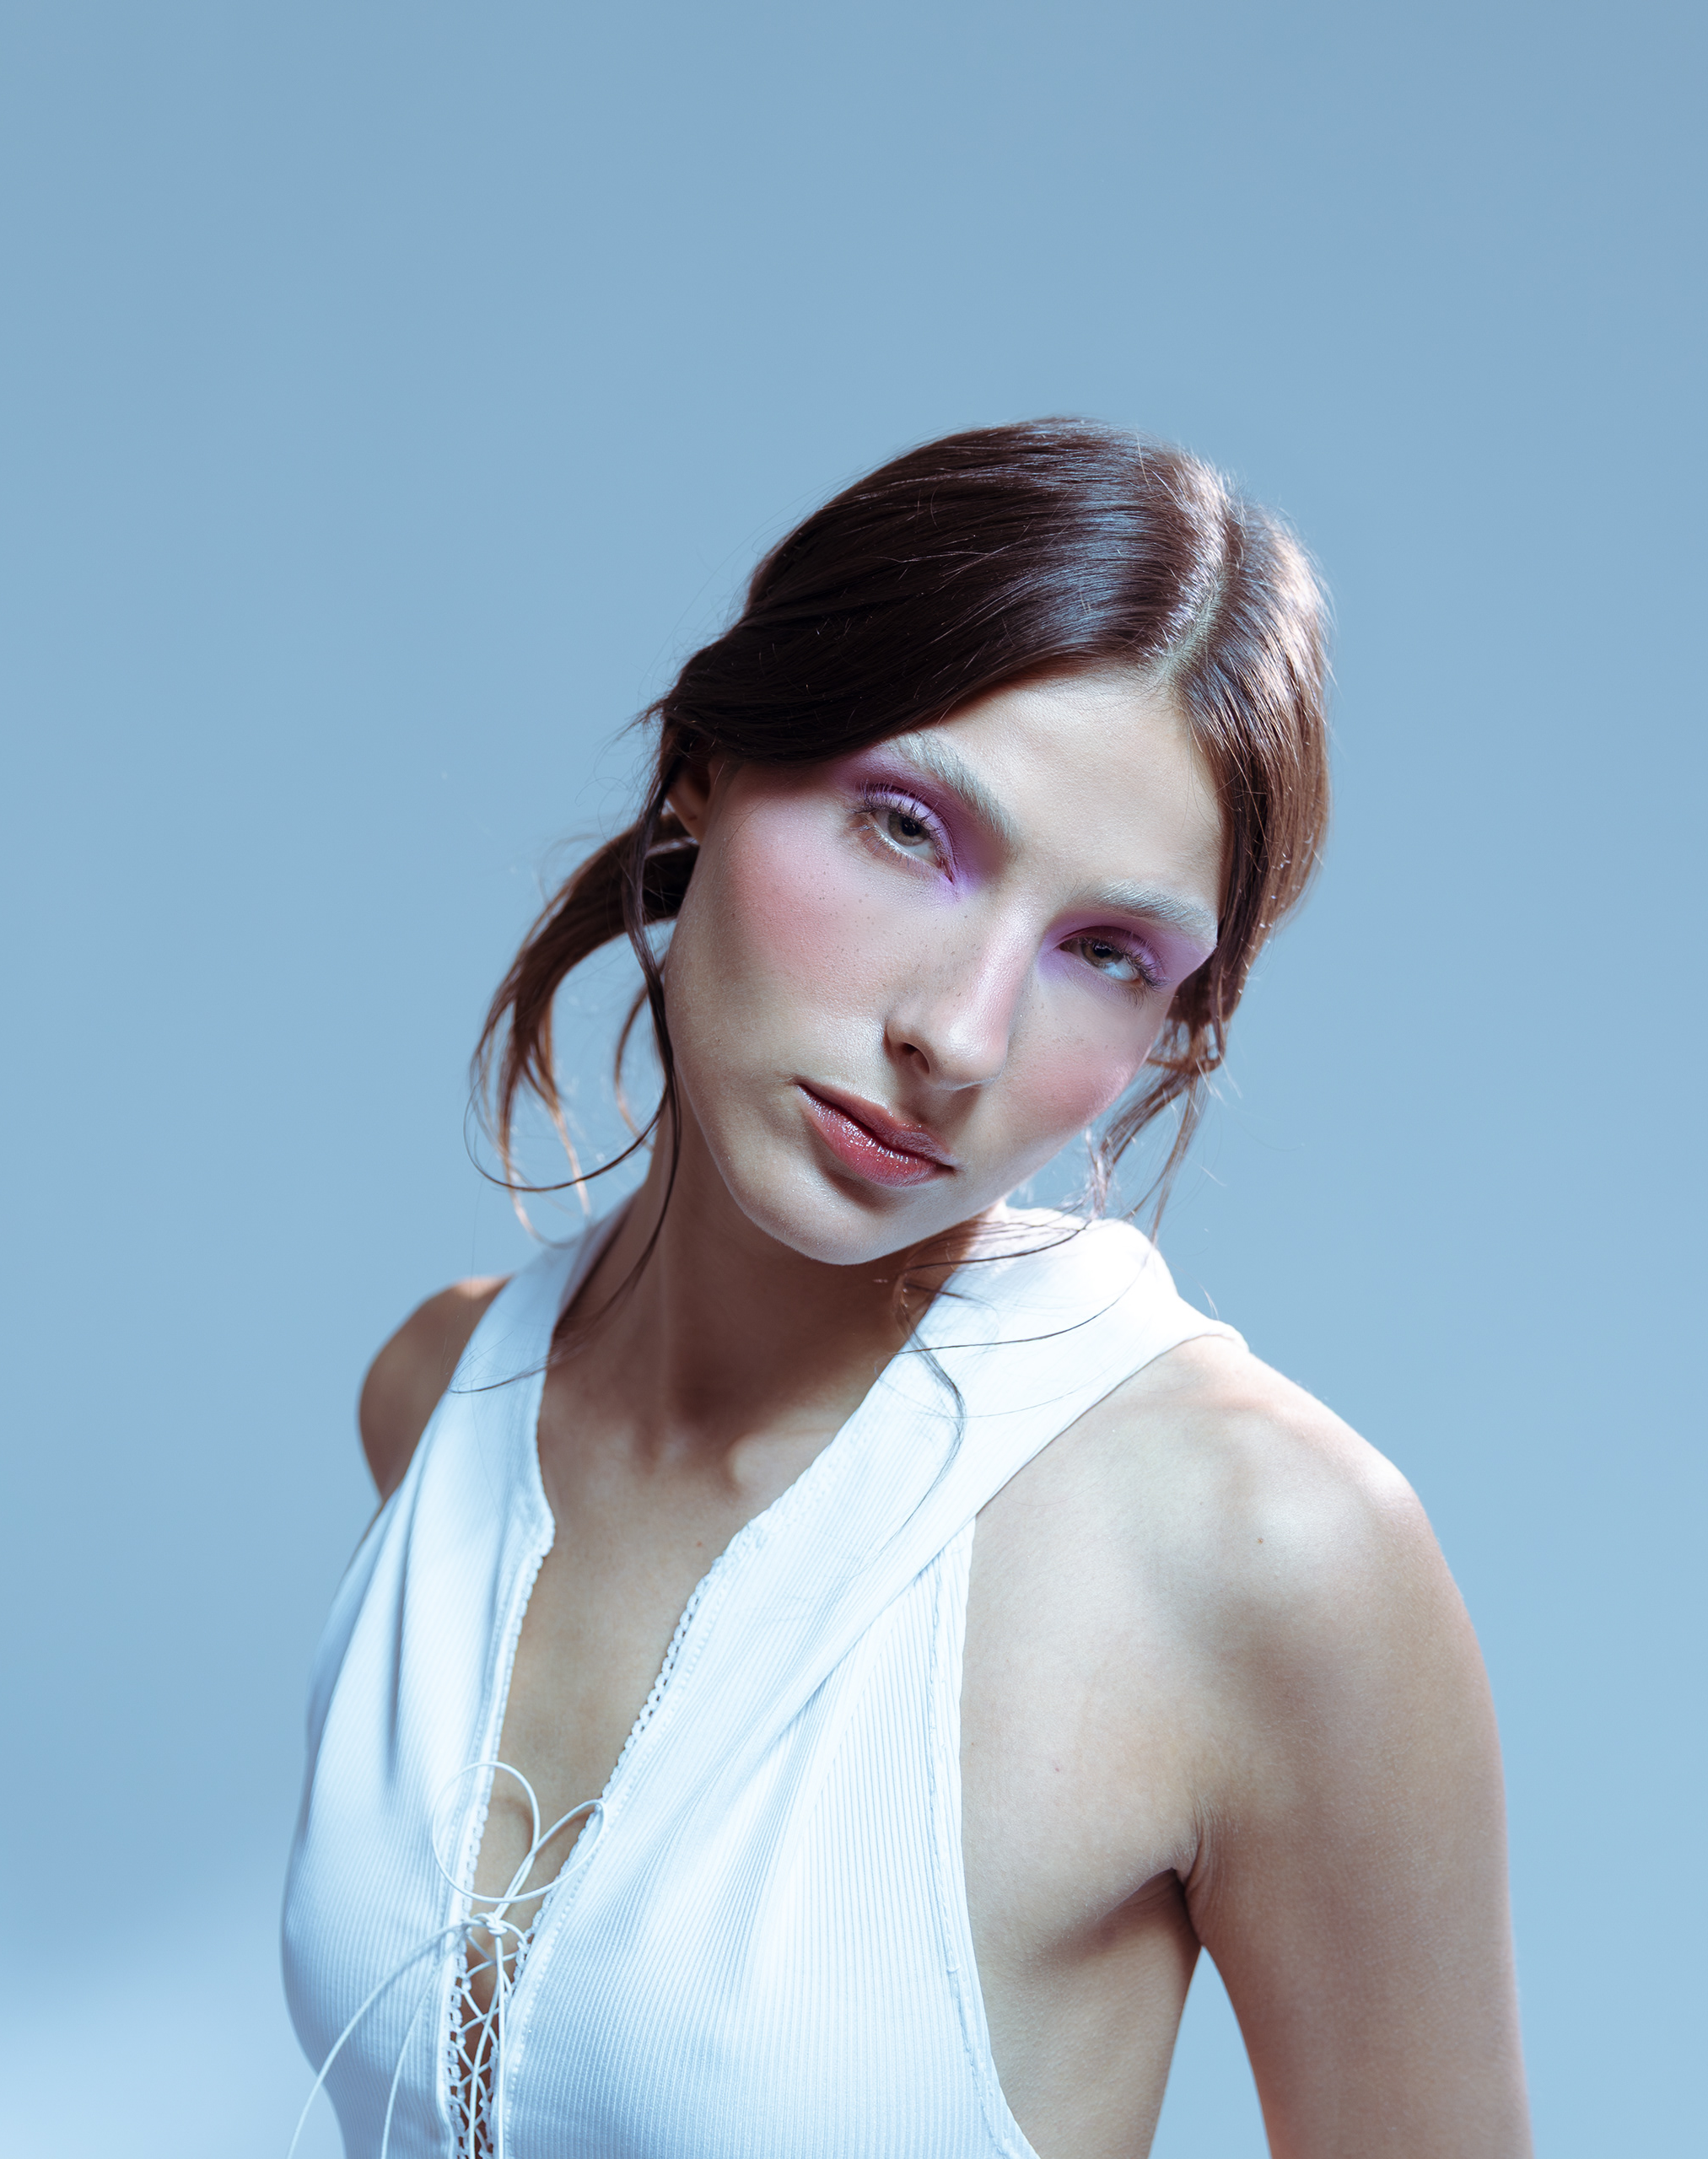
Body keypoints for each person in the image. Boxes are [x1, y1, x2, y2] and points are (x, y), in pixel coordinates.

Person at [282, 420, 1528, 2158]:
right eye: (907, 828)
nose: (958, 1031)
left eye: (1108, 952)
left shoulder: (1261, 1551)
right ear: (707, 761)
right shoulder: (440, 1395)